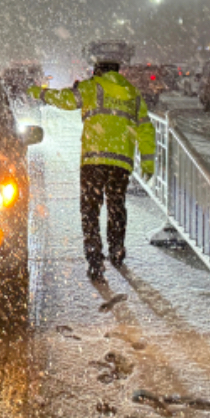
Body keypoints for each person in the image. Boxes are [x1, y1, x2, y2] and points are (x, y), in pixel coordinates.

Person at [30, 51, 156, 281]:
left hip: (94, 160)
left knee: (90, 211)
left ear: (98, 70)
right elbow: (146, 128)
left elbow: (66, 100)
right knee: (116, 206)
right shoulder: (132, 92)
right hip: (120, 161)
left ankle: (95, 260)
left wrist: (40, 93)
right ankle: (117, 252)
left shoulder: (92, 87)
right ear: (117, 71)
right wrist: (148, 160)